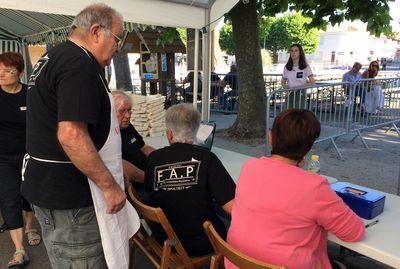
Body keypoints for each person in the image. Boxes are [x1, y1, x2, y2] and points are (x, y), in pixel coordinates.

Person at [21, 4, 139, 269]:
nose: (119, 48)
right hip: (70, 199)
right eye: (118, 39)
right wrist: (109, 185)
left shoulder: (56, 56)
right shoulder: (78, 63)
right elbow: (72, 135)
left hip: (52, 191)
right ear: (96, 31)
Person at [227, 109, 365, 269]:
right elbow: (354, 232)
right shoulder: (314, 186)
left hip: (237, 262)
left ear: (270, 137)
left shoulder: (250, 167)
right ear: (310, 146)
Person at [144, 103, 236, 256]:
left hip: (164, 238)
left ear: (169, 134)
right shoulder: (207, 158)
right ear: (195, 133)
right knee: (226, 219)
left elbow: (150, 194)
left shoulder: (153, 158)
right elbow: (231, 206)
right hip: (201, 242)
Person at [0, 52, 41, 268]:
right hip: (3, 157)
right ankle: (19, 249)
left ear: (21, 73)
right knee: (8, 200)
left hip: (29, 155)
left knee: (27, 196)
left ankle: (29, 226)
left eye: (8, 70)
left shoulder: (30, 94)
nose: (2, 74)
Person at [111, 90, 154, 188]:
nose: (128, 115)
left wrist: (162, 158)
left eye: (129, 110)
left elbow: (144, 148)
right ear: (111, 111)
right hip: (136, 185)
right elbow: (119, 164)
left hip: (148, 174)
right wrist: (150, 180)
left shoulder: (127, 126)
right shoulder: (109, 135)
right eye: (122, 111)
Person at [281, 44, 316, 108]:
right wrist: (286, 89)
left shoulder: (305, 67)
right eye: (291, 51)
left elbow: (312, 82)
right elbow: (283, 82)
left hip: (301, 94)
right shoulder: (287, 67)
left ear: (300, 53)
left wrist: (300, 87)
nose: (293, 53)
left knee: (299, 115)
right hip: (290, 94)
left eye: (296, 51)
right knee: (289, 114)